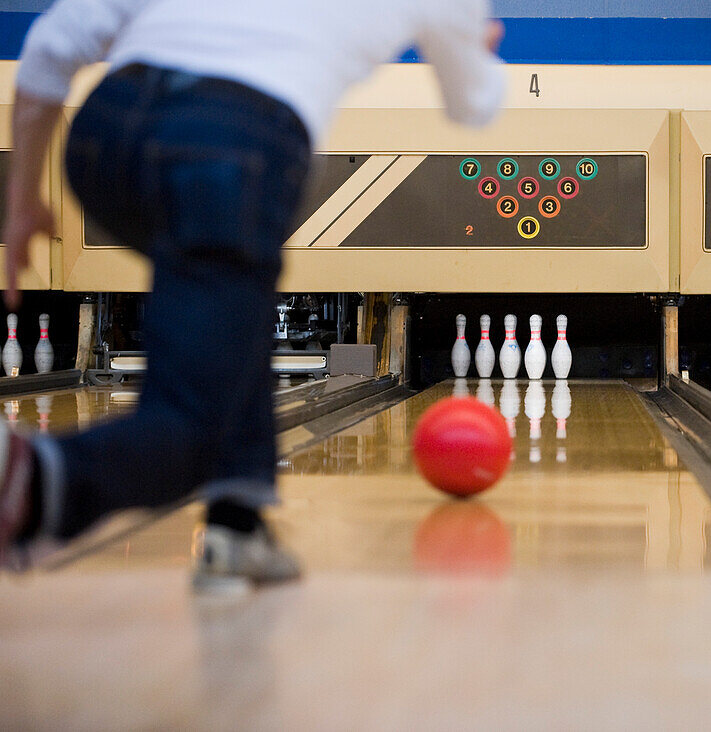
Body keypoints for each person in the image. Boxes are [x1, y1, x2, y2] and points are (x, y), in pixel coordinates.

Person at [0, 0, 505, 590]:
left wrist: (24, 202)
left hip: (102, 141)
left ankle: (237, 527)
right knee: (189, 430)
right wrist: (483, 55)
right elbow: (474, 104)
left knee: (234, 319)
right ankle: (29, 481)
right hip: (232, 149)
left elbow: (44, 55)